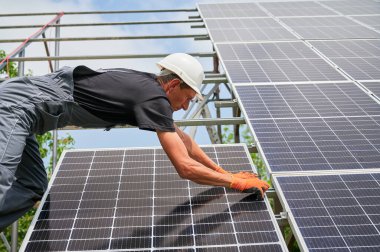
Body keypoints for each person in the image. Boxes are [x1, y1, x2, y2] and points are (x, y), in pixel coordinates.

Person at [0, 53, 269, 230]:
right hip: (15, 107)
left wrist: (224, 172)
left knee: (32, 186)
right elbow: (184, 167)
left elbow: (185, 141)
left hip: (27, 117)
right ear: (173, 85)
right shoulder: (153, 98)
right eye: (187, 98)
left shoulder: (148, 91)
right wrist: (234, 183)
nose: (186, 106)